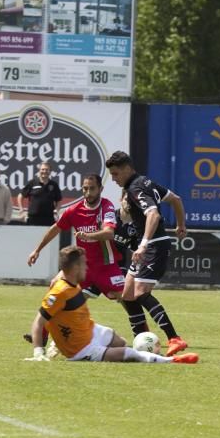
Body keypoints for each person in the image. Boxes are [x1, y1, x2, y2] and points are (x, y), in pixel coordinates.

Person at [25, 245, 198, 364]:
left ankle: (129, 352)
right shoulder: (59, 292)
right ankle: (171, 361)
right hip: (82, 349)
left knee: (121, 342)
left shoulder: (73, 282)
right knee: (129, 354)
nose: (87, 268)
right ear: (75, 268)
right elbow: (39, 322)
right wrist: (38, 352)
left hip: (91, 330)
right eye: (84, 264)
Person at [105, 151, 190, 357]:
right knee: (127, 295)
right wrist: (180, 224)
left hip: (153, 246)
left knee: (141, 293)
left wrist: (143, 244)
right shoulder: (145, 182)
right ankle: (143, 339)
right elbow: (176, 199)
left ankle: (174, 339)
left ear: (127, 168)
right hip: (148, 245)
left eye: (116, 174)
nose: (114, 179)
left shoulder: (136, 187)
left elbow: (153, 214)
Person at [27, 174, 125, 302]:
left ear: (101, 189)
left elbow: (109, 233)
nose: (88, 193)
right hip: (82, 265)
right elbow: (55, 228)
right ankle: (48, 321)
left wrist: (87, 236)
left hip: (106, 265)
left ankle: (140, 322)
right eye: (85, 188)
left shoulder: (107, 206)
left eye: (92, 188)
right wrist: (37, 250)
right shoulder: (74, 210)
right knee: (55, 286)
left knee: (126, 298)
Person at [19, 162, 62, 226]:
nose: (45, 171)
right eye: (43, 169)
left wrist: (56, 210)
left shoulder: (54, 185)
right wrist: (21, 209)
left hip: (49, 219)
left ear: (50, 171)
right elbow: (20, 196)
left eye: (47, 170)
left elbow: (59, 200)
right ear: (39, 171)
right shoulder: (32, 183)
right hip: (33, 219)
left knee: (48, 236)